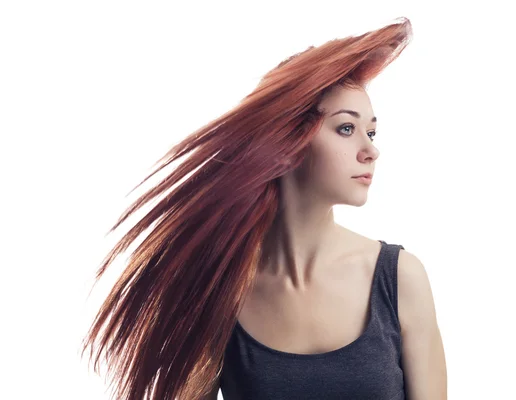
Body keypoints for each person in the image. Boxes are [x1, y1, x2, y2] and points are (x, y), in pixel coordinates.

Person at [80, 16, 447, 400]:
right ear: (288, 139)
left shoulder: (400, 279)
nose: (371, 150)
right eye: (345, 128)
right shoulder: (225, 291)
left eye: (371, 131)